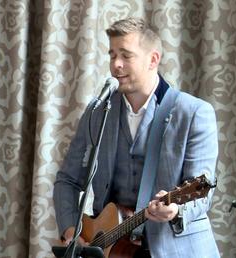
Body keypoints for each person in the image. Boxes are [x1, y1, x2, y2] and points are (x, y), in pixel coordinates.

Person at [53, 17, 220, 258]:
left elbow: (202, 188)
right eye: (112, 55)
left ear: (153, 59)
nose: (115, 65)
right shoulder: (98, 111)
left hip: (179, 250)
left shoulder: (194, 112)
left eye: (126, 55)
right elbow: (67, 180)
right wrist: (71, 230)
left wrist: (176, 209)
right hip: (111, 250)